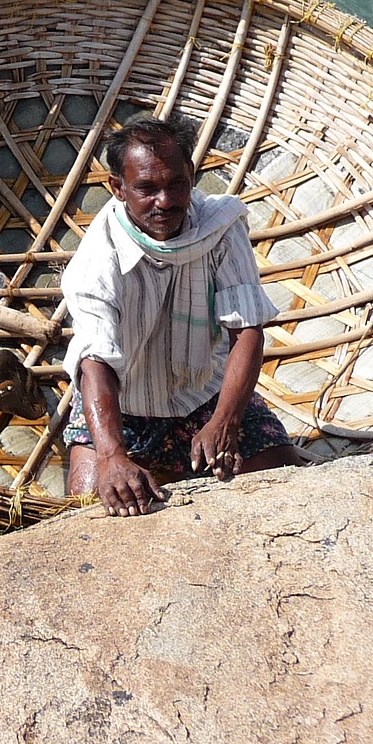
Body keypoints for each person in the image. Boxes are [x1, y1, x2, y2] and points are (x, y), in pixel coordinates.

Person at [62, 113, 302, 515]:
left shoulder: (220, 225)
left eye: (176, 184)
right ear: (117, 188)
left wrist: (225, 420)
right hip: (125, 403)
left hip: (205, 392)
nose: (165, 201)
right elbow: (95, 360)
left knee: (279, 480)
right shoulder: (99, 257)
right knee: (88, 505)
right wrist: (112, 455)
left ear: (192, 175)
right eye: (147, 189)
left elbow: (246, 331)